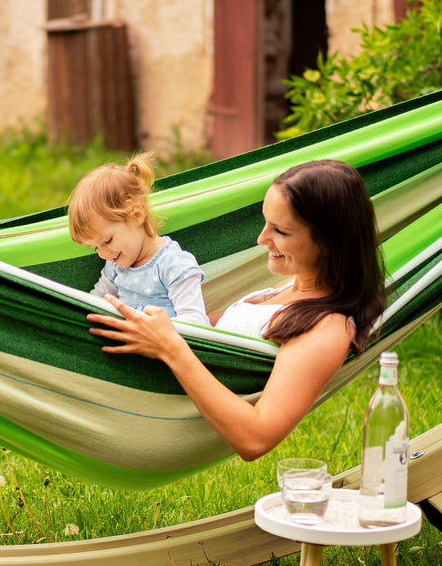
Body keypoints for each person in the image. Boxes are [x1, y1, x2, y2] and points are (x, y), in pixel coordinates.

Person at [86, 158, 385, 461]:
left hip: (164, 398)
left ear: (327, 243)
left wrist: (169, 347)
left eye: (280, 231)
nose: (261, 239)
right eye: (265, 222)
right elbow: (212, 328)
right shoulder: (291, 286)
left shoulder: (327, 329)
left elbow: (256, 438)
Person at [67, 151, 208, 325]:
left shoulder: (172, 264)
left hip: (170, 348)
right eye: (95, 248)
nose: (103, 254)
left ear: (136, 215)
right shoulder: (114, 265)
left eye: (107, 241)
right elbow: (96, 302)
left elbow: (196, 322)